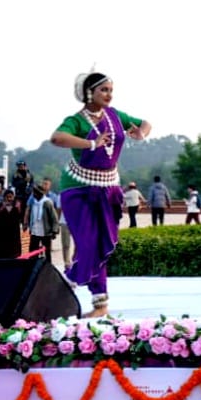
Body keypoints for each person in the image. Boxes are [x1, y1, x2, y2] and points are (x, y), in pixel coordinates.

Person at [50, 71, 152, 317]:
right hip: (79, 189)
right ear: (89, 93)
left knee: (101, 244)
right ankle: (86, 293)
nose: (109, 94)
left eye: (110, 90)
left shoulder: (115, 115)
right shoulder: (76, 120)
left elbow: (145, 123)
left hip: (108, 187)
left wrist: (141, 133)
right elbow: (57, 138)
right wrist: (91, 143)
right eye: (103, 90)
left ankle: (83, 289)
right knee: (88, 244)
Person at [24, 182, 60, 261]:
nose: (34, 194)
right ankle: (33, 265)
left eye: (35, 193)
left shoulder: (47, 203)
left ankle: (48, 266)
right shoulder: (33, 202)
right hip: (35, 230)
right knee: (33, 251)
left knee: (47, 252)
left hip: (45, 231)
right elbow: (29, 212)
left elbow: (54, 218)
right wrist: (25, 224)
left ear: (40, 194)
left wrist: (54, 231)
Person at [0, 188, 23, 258]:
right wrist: (2, 207)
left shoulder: (16, 205)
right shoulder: (1, 205)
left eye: (11, 197)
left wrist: (19, 208)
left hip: (14, 233)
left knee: (14, 252)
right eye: (7, 197)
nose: (9, 199)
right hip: (3, 233)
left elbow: (21, 216)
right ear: (4, 197)